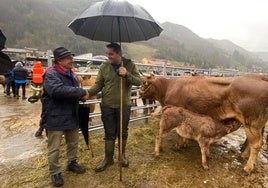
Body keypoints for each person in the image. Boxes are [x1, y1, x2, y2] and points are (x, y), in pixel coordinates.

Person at [88, 43, 142, 172]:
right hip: (107, 105)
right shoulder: (104, 66)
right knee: (109, 133)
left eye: (111, 54)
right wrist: (88, 93)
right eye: (107, 53)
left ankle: (121, 156)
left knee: (122, 132)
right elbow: (98, 85)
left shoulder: (129, 65)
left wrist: (127, 74)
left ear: (119, 54)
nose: (108, 56)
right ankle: (108, 158)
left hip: (124, 105)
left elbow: (139, 82)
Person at [41, 47, 88, 187]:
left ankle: (72, 163)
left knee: (73, 142)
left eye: (71, 57)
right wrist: (80, 92)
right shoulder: (51, 74)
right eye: (68, 58)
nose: (71, 60)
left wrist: (81, 97)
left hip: (71, 114)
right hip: (55, 115)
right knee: (54, 147)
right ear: (59, 61)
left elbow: (71, 93)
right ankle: (55, 171)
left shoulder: (71, 74)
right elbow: (56, 91)